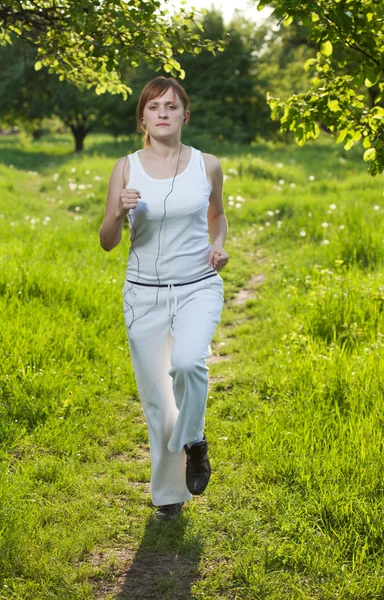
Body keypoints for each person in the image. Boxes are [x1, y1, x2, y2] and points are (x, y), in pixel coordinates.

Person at [99, 76, 229, 521]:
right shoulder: (125, 167)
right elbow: (107, 241)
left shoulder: (207, 165)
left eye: (171, 107)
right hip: (144, 295)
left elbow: (219, 216)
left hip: (197, 284)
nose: (163, 113)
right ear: (143, 118)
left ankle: (195, 441)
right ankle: (169, 497)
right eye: (154, 107)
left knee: (189, 363)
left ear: (184, 115)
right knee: (159, 402)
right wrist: (117, 209)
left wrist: (220, 244)